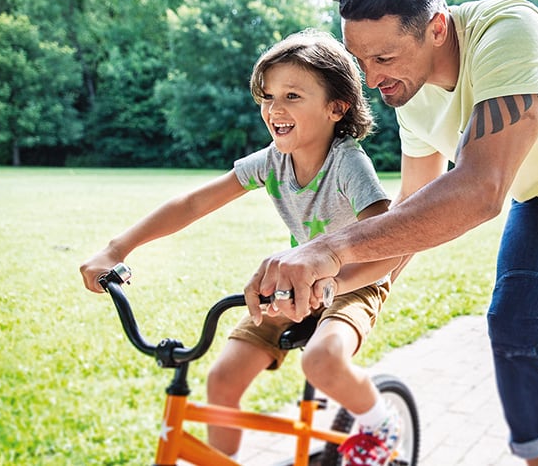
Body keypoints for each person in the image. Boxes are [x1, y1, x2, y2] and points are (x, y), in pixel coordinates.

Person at [243, 0, 538, 466]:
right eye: (360, 60)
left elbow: (479, 190)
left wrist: (329, 249)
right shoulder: (409, 91)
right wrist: (328, 285)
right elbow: (410, 213)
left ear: (435, 27)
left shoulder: (511, 32)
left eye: (384, 58)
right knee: (510, 327)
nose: (371, 78)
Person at [80, 29, 404, 465]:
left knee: (322, 361)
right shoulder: (273, 160)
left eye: (292, 96)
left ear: (336, 107)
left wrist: (333, 283)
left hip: (354, 281)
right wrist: (118, 248)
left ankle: (381, 423)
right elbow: (194, 202)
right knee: (222, 379)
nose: (274, 109)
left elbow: (386, 245)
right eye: (268, 96)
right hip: (294, 279)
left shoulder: (348, 163)